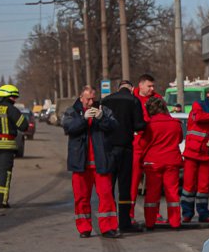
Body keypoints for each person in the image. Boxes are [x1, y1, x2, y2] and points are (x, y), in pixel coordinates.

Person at [63, 86, 120, 237]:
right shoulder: (72, 111)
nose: (90, 102)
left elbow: (115, 127)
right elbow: (68, 127)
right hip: (80, 163)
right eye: (87, 99)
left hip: (101, 161)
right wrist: (83, 119)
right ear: (81, 98)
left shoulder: (104, 110)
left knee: (106, 195)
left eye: (92, 99)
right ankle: (84, 228)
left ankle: (108, 227)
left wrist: (102, 118)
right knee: (81, 198)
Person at [101, 79, 147, 231]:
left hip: (108, 148)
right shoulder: (134, 101)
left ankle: (109, 223)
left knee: (109, 186)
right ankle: (125, 223)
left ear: (118, 88)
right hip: (126, 148)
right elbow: (139, 125)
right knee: (124, 187)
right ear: (132, 88)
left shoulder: (106, 100)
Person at [181, 87, 209, 223]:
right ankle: (187, 213)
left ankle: (203, 213)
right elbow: (198, 118)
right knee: (189, 186)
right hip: (192, 151)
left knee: (204, 187)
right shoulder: (199, 105)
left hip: (206, 153)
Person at [139, 95, 183, 229]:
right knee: (172, 192)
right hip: (171, 161)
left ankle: (150, 222)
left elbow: (143, 143)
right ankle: (175, 222)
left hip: (153, 162)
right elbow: (180, 139)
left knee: (152, 193)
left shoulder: (150, 125)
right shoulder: (175, 123)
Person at [130, 73, 156, 223]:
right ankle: (130, 214)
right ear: (140, 85)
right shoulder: (132, 101)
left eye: (153, 86)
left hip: (151, 147)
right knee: (133, 184)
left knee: (154, 185)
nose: (152, 89)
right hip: (136, 147)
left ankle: (154, 215)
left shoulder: (156, 100)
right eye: (149, 86)